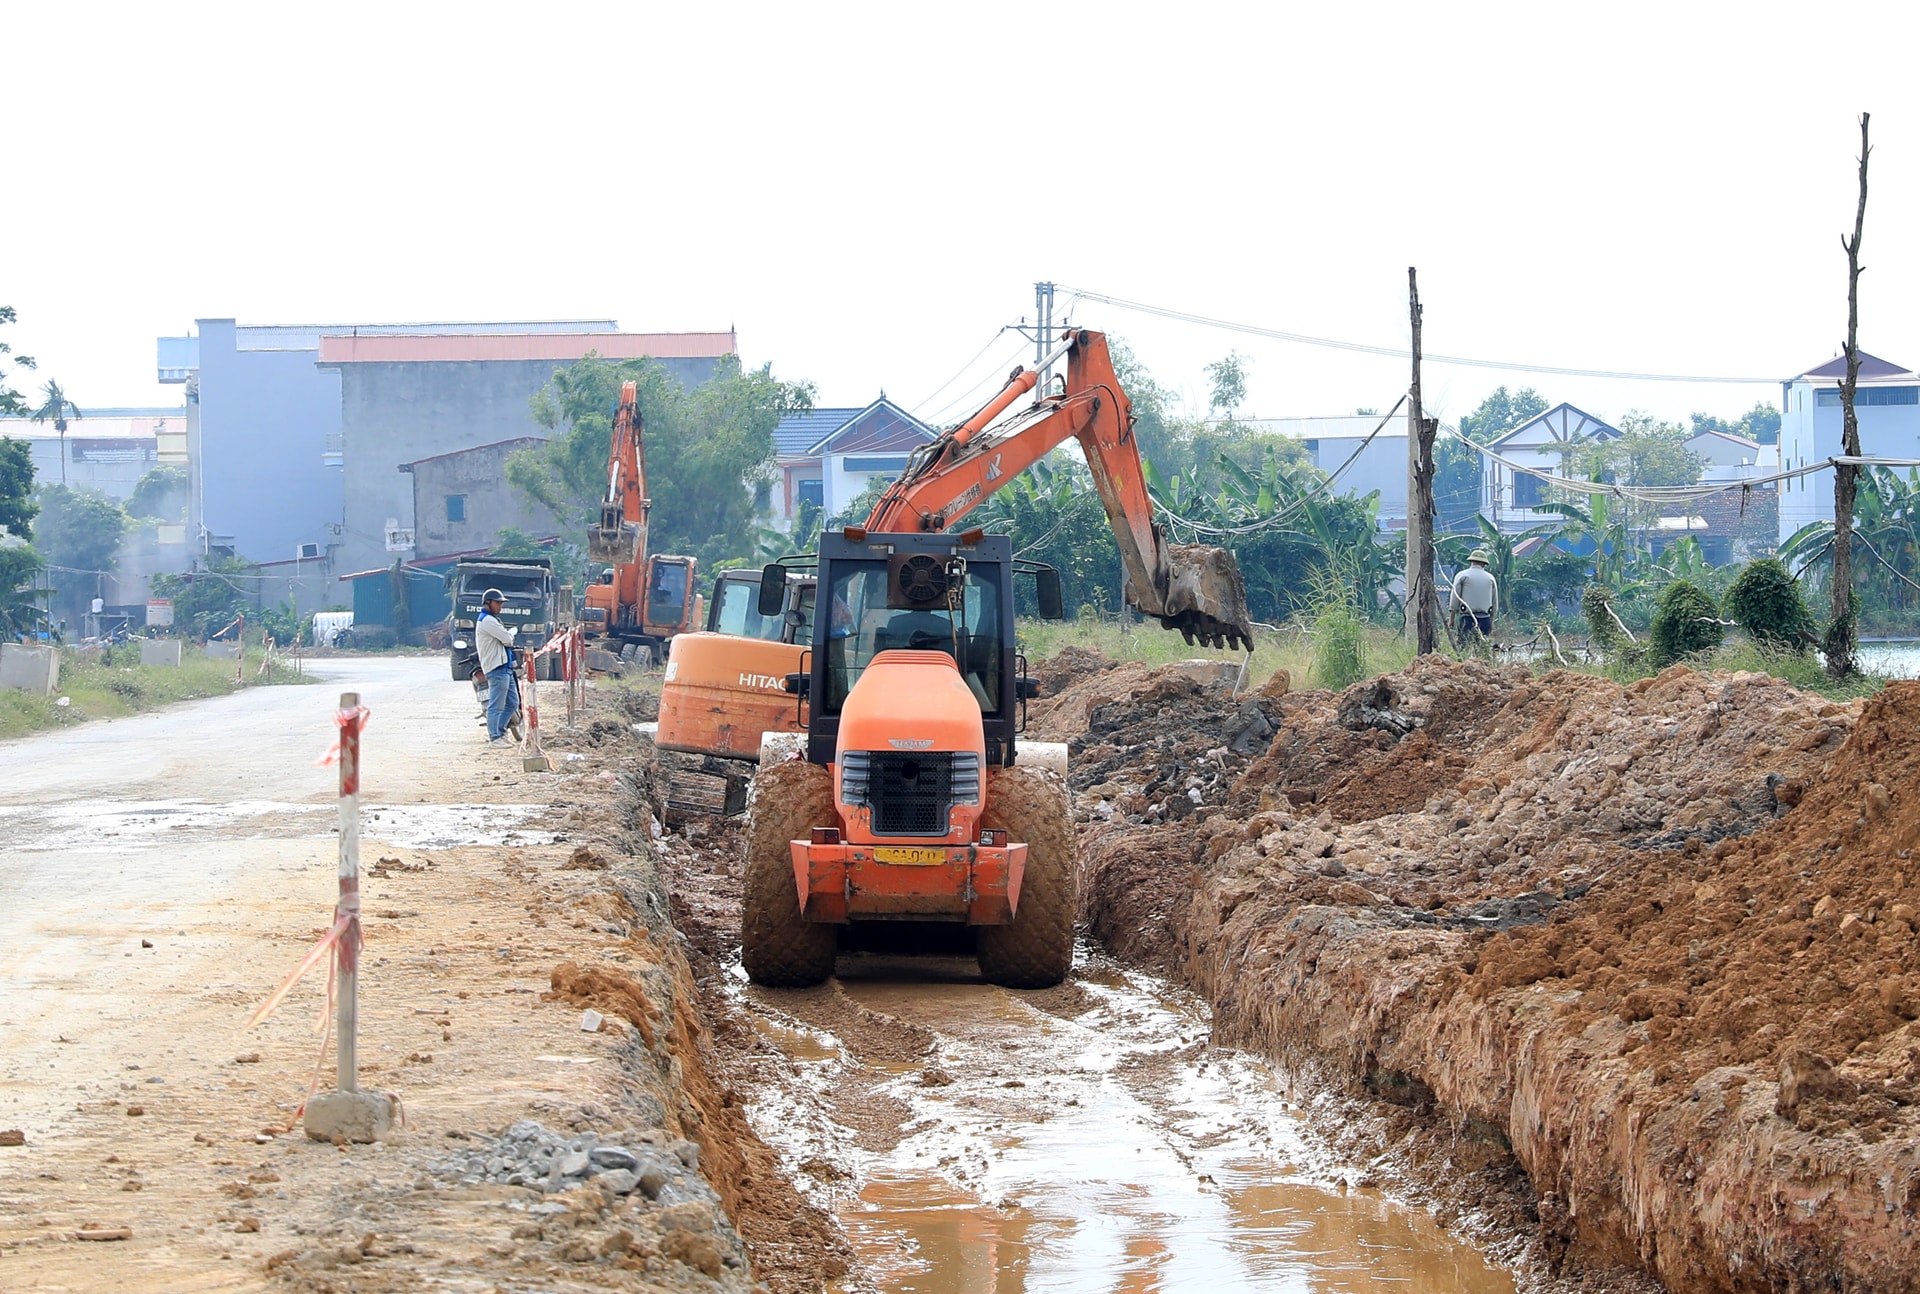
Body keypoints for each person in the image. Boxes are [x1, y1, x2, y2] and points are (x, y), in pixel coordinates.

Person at [475, 588, 521, 743]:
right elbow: (508, 639)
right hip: (497, 668)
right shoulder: (488, 621)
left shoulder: (492, 620)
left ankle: (500, 732)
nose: (500, 606)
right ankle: (495, 737)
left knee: (512, 702)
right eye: (498, 603)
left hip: (505, 667)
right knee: (496, 705)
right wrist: (509, 635)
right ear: (488, 603)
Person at [1450, 548, 1499, 642]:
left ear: (1471, 561)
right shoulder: (1490, 578)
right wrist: (1491, 622)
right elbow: (1494, 602)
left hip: (1467, 618)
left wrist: (1451, 619)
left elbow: (1455, 598)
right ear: (1484, 564)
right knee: (1482, 647)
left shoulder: (1462, 575)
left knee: (1465, 646)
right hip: (1485, 619)